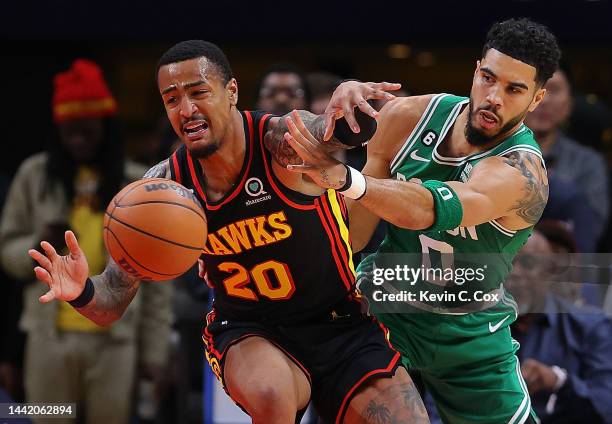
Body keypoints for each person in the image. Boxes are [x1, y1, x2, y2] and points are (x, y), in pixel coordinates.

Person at [28, 41, 429, 424]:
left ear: (232, 91)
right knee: (272, 396)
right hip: (251, 330)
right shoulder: (164, 188)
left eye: (198, 92)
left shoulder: (278, 144)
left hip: (341, 320)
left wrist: (351, 106)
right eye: (171, 99)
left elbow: (326, 130)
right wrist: (80, 290)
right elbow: (111, 300)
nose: (186, 109)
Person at [284, 18, 561, 423]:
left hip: (467, 335)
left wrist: (347, 179)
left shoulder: (522, 173)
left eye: (514, 89)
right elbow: (355, 236)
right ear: (476, 69)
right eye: (488, 78)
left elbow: (427, 210)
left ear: (536, 100)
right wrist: (338, 128)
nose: (494, 97)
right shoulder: (407, 118)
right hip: (384, 315)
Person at [1, 59, 173, 424]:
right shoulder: (34, 177)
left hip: (115, 340)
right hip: (50, 339)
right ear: (58, 130)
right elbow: (7, 252)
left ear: (106, 128)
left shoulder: (133, 184)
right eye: (70, 131)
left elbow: (155, 280)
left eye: (87, 131)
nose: (78, 138)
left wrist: (155, 354)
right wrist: (37, 242)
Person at [508, 228, 612, 423]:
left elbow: (605, 406)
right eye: (508, 263)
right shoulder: (478, 327)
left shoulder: (591, 327)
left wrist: (559, 382)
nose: (514, 273)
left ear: (549, 272)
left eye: (528, 264)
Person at [525, 67, 609, 244]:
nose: (544, 99)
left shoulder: (588, 163)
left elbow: (591, 226)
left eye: (554, 90)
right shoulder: (493, 155)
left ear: (569, 105)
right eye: (536, 87)